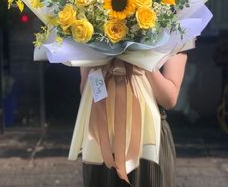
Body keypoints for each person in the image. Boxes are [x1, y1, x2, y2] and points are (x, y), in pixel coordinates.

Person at [80, 52, 188, 187]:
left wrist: (139, 58)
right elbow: (85, 90)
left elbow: (169, 99)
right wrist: (99, 60)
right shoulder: (92, 40)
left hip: (148, 135)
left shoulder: (174, 38)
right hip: (103, 134)